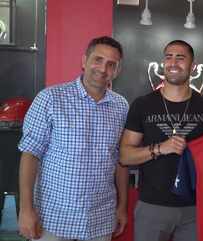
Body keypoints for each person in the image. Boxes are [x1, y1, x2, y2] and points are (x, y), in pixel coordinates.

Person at [17, 36, 129, 241]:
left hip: (100, 219)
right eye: (98, 60)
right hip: (52, 218)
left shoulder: (121, 107)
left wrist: (122, 207)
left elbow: (121, 160)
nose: (103, 69)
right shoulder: (50, 98)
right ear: (84, 61)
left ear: (117, 70)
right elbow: (30, 154)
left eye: (111, 64)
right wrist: (26, 210)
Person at [119, 40, 203, 241]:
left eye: (181, 57)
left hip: (194, 207)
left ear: (193, 67)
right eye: (168, 57)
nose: (173, 63)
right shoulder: (143, 104)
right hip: (153, 206)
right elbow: (125, 156)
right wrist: (160, 148)